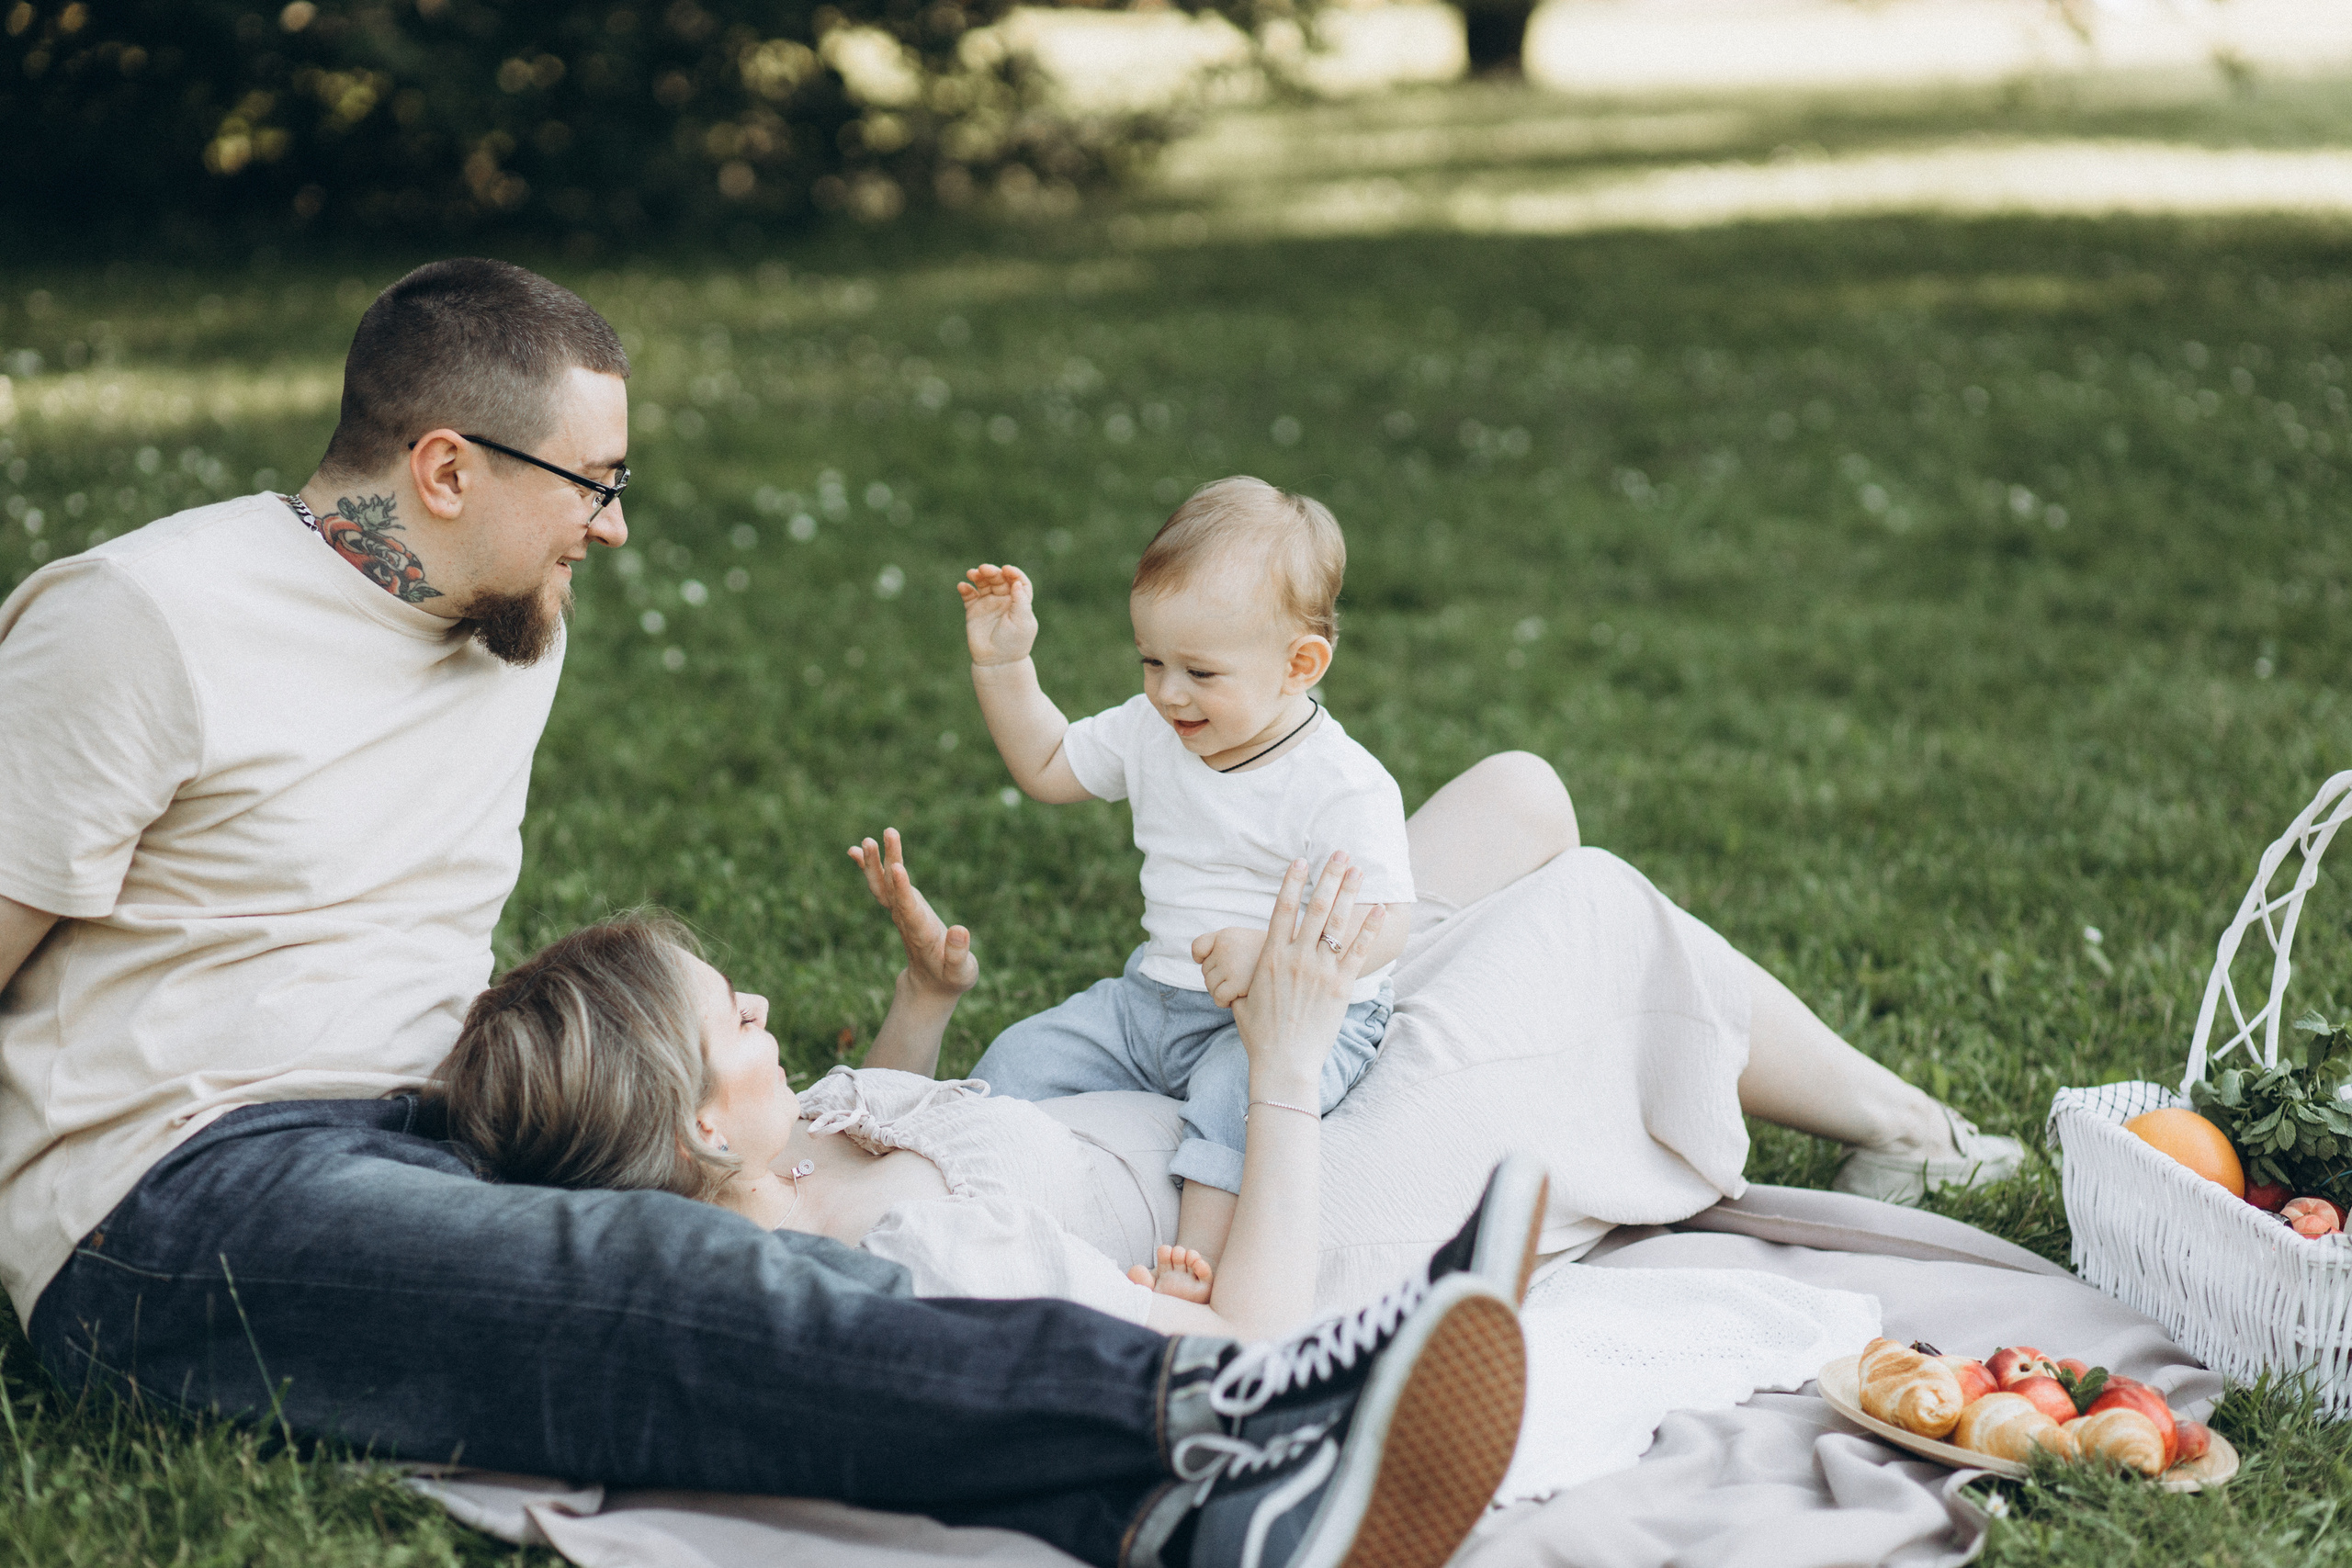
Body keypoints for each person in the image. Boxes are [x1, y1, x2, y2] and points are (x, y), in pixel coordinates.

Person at [0, 256, 1532, 1568]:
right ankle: (1205, 1433)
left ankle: (1222, 1432)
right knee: (637, 1281)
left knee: (787, 1230)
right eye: (590, 486)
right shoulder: (141, 619)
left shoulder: (505, 619)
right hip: (184, 1185)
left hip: (463, 1114)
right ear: (445, 470)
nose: (613, 529)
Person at [957, 479, 1417, 1302]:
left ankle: (1197, 1265)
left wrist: (1277, 960)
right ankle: (974, 1200)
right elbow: (1050, 765)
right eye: (1152, 662)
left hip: (1292, 1017)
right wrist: (1006, 663)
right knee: (1016, 1060)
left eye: (1200, 671)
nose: (1169, 691)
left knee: (1235, 1097)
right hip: (1154, 1000)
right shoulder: (1154, 727)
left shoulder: (1339, 783)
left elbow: (1386, 922)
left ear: (1299, 665)